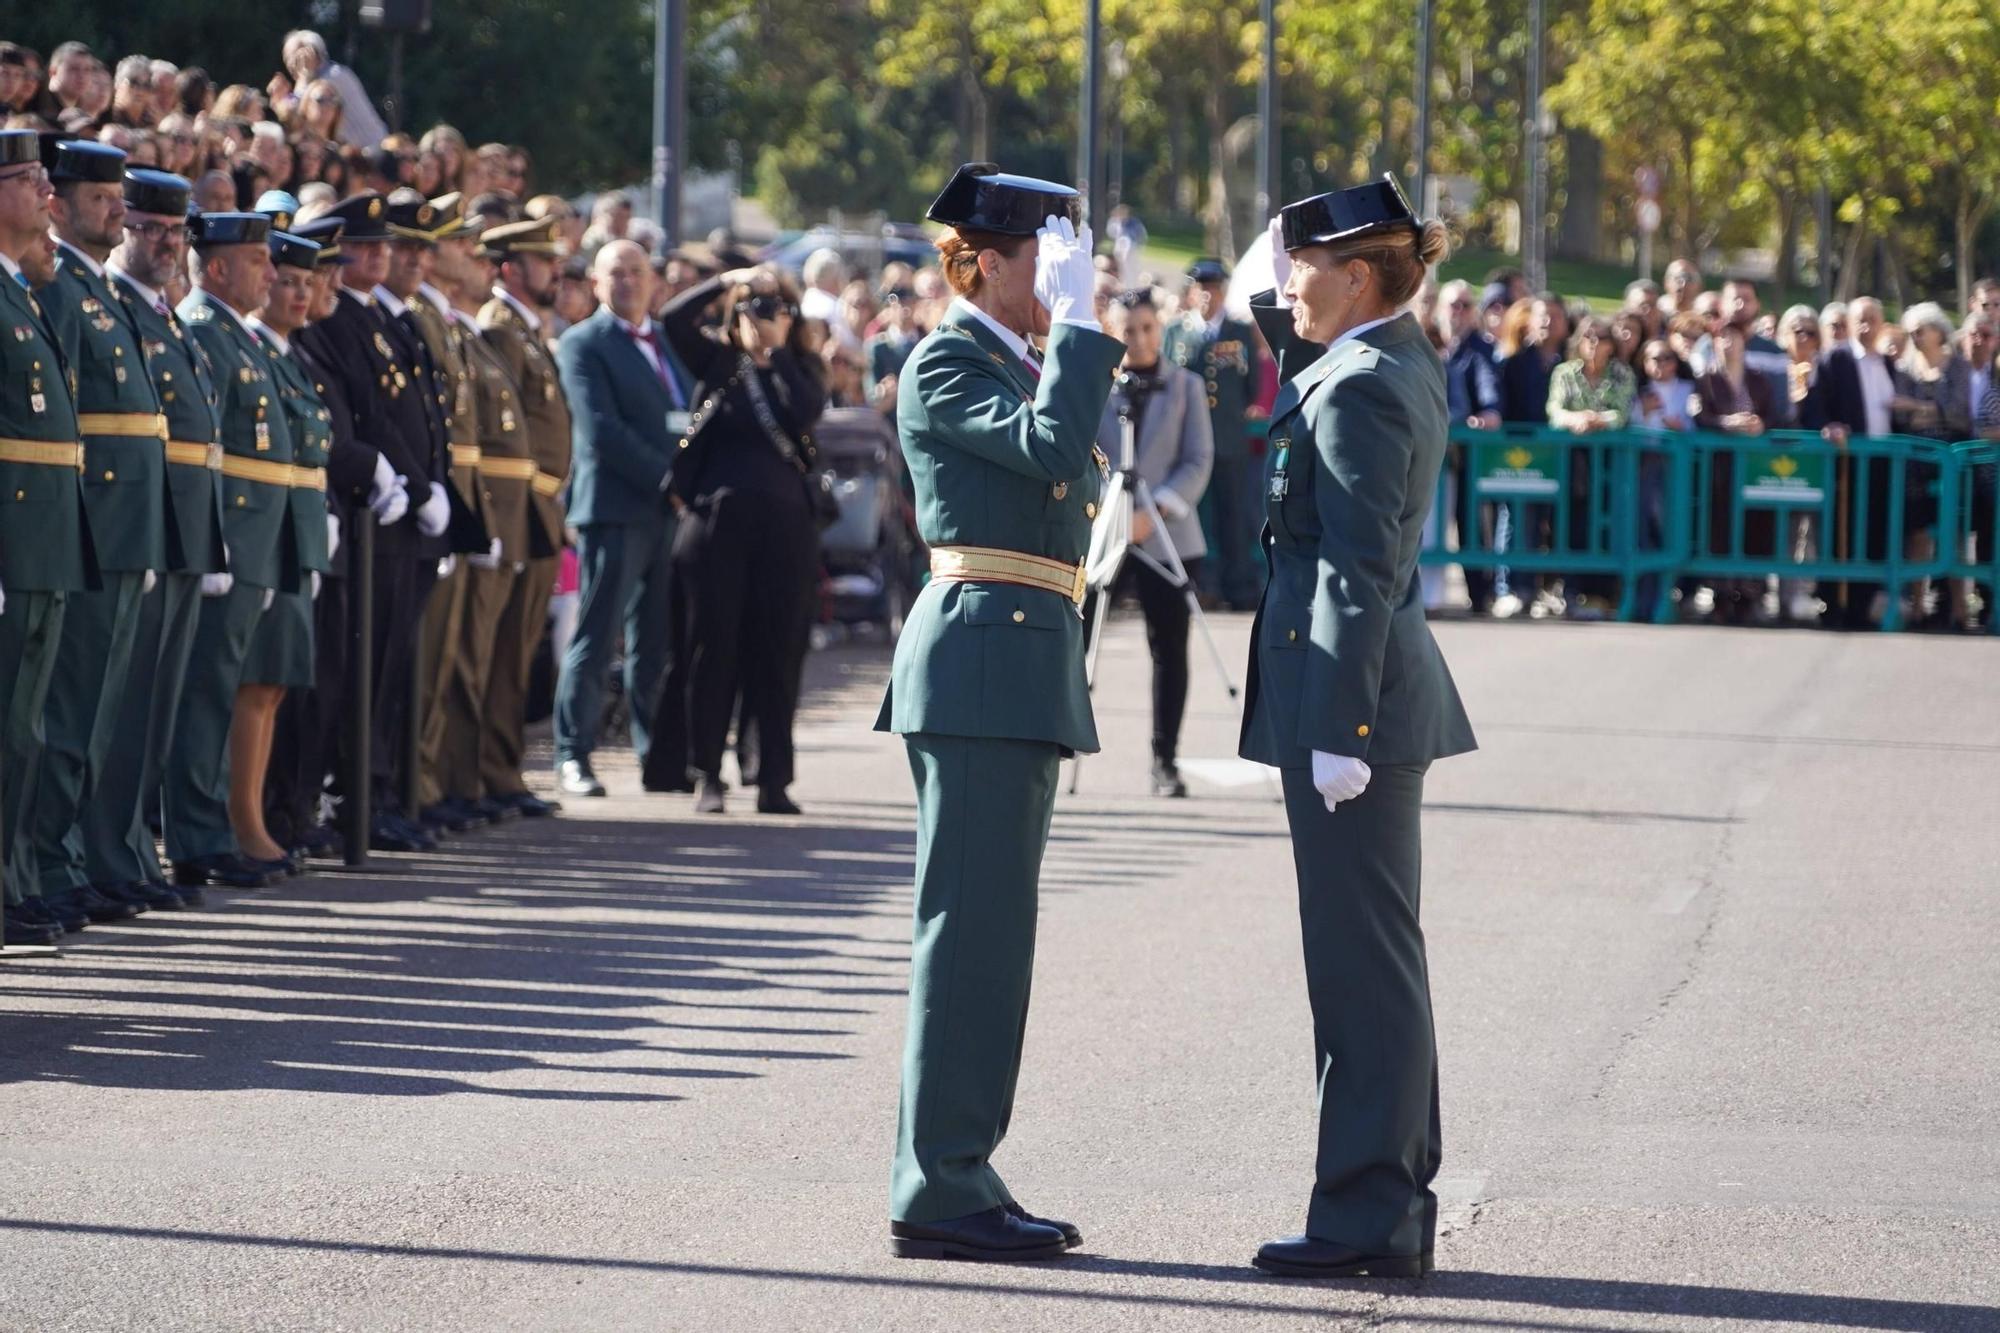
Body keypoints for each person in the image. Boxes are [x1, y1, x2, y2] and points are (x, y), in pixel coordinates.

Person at [877, 164, 1122, 1263]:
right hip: (979, 662)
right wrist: (1075, 331)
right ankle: (937, 1187)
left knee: (992, 938)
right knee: (967, 935)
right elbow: (1049, 451)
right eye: (1042, 262)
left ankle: (961, 1168)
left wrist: (1066, 332)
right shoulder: (945, 359)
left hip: (1015, 662)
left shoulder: (1011, 361)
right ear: (979, 261)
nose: (1058, 283)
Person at [1242, 176, 1475, 1280]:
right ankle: (1383, 1196)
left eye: (1304, 265)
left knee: (1360, 967)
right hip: (1354, 700)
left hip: (1354, 707)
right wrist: (1279, 265)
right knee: (1369, 958)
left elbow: (1357, 563)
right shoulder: (1368, 357)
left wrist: (1338, 720)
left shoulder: (1367, 383)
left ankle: (1366, 1210)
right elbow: (1289, 342)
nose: (1286, 282)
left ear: (1358, 276)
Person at [23, 139, 179, 923]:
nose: (118, 208)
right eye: (101, 197)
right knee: (68, 710)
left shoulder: (99, 290)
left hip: (123, 525)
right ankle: (50, 861)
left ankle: (78, 856)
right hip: (87, 522)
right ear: (57, 204)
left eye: (119, 196)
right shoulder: (59, 288)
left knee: (104, 712)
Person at [88, 167, 229, 902]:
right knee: (122, 707)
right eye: (151, 228)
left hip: (177, 531)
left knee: (155, 710)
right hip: (135, 526)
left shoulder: (165, 312)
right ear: (126, 228)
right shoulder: (110, 305)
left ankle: (135, 851)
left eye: (176, 232)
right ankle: (109, 856)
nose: (167, 243)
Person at [653, 262, 828, 815]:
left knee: (777, 652)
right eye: (756, 307)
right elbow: (672, 316)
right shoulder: (717, 360)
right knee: (713, 647)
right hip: (716, 523)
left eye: (776, 307)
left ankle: (773, 777)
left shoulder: (799, 366)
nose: (763, 316)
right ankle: (707, 771)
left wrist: (775, 351)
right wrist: (731, 280)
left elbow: (805, 411)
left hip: (785, 530)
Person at [304, 191, 451, 846]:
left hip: (403, 517)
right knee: (363, 665)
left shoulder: (386, 320)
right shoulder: (339, 320)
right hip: (376, 518)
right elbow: (369, 417)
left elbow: (424, 419)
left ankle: (379, 790)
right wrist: (416, 487)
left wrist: (436, 491)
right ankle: (355, 795)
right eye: (359, 248)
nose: (374, 257)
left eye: (378, 247)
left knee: (392, 664)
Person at [166, 209, 301, 888]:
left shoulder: (235, 334)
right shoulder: (202, 328)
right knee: (210, 691)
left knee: (233, 686)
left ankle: (215, 826)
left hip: (257, 534)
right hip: (233, 533)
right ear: (216, 267)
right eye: (257, 261)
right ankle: (198, 832)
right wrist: (217, 537)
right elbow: (212, 446)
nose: (271, 274)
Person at [0, 130, 97, 946]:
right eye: (27, 178)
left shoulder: (24, 293)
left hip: (43, 534)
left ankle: (16, 877)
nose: (44, 191)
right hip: (13, 534)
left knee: (24, 724)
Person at [550, 238, 685, 796]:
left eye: (637, 271)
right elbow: (601, 430)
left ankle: (654, 755)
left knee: (655, 640)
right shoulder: (583, 343)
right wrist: (671, 478)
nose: (628, 282)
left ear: (653, 280)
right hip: (616, 507)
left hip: (667, 512)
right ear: (597, 285)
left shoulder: (666, 342)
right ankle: (572, 754)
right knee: (597, 634)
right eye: (616, 273)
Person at [234, 227, 334, 868]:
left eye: (308, 283)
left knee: (274, 686)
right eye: (286, 280)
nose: (297, 293)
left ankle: (255, 818)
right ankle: (242, 821)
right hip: (257, 538)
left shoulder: (288, 356)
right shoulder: (251, 349)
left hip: (291, 535)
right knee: (252, 684)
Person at [1093, 289, 1212, 796]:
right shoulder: (1098, 387)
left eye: (1147, 328)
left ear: (1160, 328)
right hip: (1107, 532)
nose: (1139, 339)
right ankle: (1058, 743)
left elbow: (1198, 459)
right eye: (1128, 330)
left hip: (1167, 536)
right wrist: (1116, 514)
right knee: (1076, 635)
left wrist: (1155, 510)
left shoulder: (1185, 386)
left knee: (1169, 648)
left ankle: (1165, 759)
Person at [477, 214, 570, 815]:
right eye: (543, 261)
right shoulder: (500, 327)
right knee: (500, 651)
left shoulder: (526, 327)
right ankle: (488, 773)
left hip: (540, 506)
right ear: (510, 268)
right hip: (516, 505)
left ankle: (502, 772)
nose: (555, 272)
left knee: (519, 650)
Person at [1165, 257, 1262, 611]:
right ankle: (1200, 585)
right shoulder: (1176, 332)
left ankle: (1238, 587)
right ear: (1191, 293)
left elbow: (1251, 387)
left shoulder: (1238, 332)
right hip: (1187, 441)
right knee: (1194, 517)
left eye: (1215, 288)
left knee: (1233, 516)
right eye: (1202, 289)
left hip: (1228, 437)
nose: (1208, 295)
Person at [1692, 321, 1778, 624]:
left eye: (1734, 338)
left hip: (1753, 469)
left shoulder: (1759, 380)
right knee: (1720, 527)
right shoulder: (1706, 380)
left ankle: (1751, 592)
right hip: (1720, 469)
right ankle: (1721, 592)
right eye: (1722, 338)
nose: (1728, 343)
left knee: (1755, 526)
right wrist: (1727, 424)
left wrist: (1759, 425)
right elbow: (1701, 417)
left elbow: (1772, 414)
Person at [280, 30, 386, 146]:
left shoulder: (335, 75)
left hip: (373, 151)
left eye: (297, 57)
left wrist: (304, 78)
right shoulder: (310, 81)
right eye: (287, 59)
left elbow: (299, 111)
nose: (291, 64)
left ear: (314, 54)